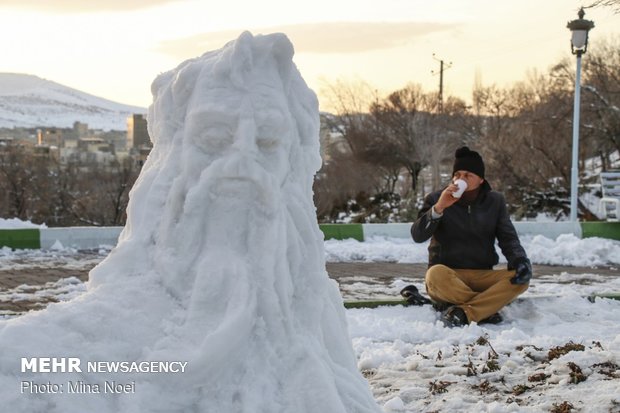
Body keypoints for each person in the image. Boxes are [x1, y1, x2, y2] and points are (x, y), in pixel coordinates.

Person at [411, 146, 532, 327]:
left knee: (520, 278)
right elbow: (417, 235)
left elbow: (508, 238)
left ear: (481, 179)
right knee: (434, 274)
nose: (461, 179)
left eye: (468, 175)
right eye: (457, 174)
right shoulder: (437, 198)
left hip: (482, 275)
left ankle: (465, 310)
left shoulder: (495, 201)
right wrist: (439, 208)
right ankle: (485, 310)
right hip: (448, 275)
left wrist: (520, 260)